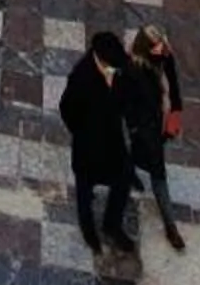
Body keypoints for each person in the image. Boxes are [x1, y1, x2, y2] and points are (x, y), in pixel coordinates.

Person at [58, 31, 137, 256]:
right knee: (84, 190)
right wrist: (84, 133)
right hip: (88, 149)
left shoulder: (120, 66)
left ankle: (112, 226)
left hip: (113, 142)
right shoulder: (81, 78)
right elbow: (67, 110)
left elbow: (128, 90)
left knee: (122, 182)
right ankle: (89, 231)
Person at [120, 23, 187, 250]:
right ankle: (170, 226)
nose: (162, 50)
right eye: (157, 47)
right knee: (144, 169)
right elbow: (126, 106)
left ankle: (170, 225)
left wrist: (174, 117)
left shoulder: (163, 57)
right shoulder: (132, 70)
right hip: (141, 131)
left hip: (155, 127)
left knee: (154, 172)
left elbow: (174, 86)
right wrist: (134, 130)